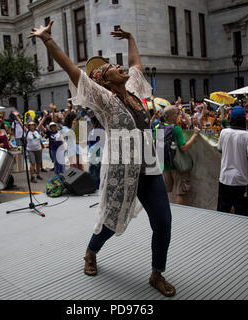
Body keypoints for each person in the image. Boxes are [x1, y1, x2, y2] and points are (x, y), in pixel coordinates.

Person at [28, 21, 176, 296]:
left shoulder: (131, 89)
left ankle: (157, 273)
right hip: (122, 172)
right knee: (111, 221)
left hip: (149, 170)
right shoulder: (105, 100)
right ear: (105, 80)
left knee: (163, 222)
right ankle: (91, 251)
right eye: (111, 68)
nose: (118, 67)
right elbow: (74, 72)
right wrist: (48, 40)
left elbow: (135, 64)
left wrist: (131, 37)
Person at [155, 106, 200, 205]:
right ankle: (180, 216)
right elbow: (184, 147)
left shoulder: (158, 127)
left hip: (164, 165)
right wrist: (195, 135)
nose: (178, 116)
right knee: (181, 192)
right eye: (176, 114)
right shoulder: (176, 129)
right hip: (178, 165)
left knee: (167, 192)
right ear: (171, 116)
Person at [217, 106, 248, 216]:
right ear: (244, 119)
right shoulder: (247, 135)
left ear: (231, 118)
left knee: (222, 212)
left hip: (224, 179)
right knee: (241, 214)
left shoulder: (224, 132)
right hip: (240, 181)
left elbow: (219, 149)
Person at [25, 116, 46, 183]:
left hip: (38, 149)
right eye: (30, 125)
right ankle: (32, 177)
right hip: (30, 149)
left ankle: (38, 174)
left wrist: (44, 116)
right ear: (29, 126)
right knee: (32, 163)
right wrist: (17, 117)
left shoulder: (37, 130)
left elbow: (41, 122)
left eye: (33, 125)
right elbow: (20, 123)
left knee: (38, 162)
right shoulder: (27, 131)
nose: (32, 127)